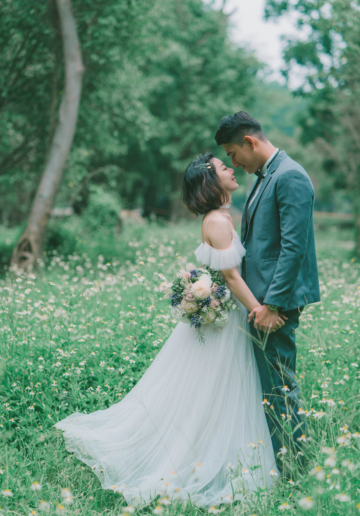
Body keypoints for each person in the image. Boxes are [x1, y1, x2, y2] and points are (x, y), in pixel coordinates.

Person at [54, 153, 285, 508]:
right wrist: (258, 310)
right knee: (212, 392)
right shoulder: (219, 222)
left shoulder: (220, 216)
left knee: (212, 394)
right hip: (226, 322)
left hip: (223, 316)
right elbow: (232, 276)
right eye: (225, 167)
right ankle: (197, 460)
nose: (232, 169)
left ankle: (214, 453)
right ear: (211, 180)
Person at [214, 111, 321, 473]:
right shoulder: (264, 176)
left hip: (276, 305)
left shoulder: (290, 176)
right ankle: (281, 465)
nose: (233, 162)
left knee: (279, 388)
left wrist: (272, 304)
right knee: (271, 388)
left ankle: (296, 471)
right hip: (259, 304)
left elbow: (294, 248)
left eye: (232, 153)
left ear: (249, 142)